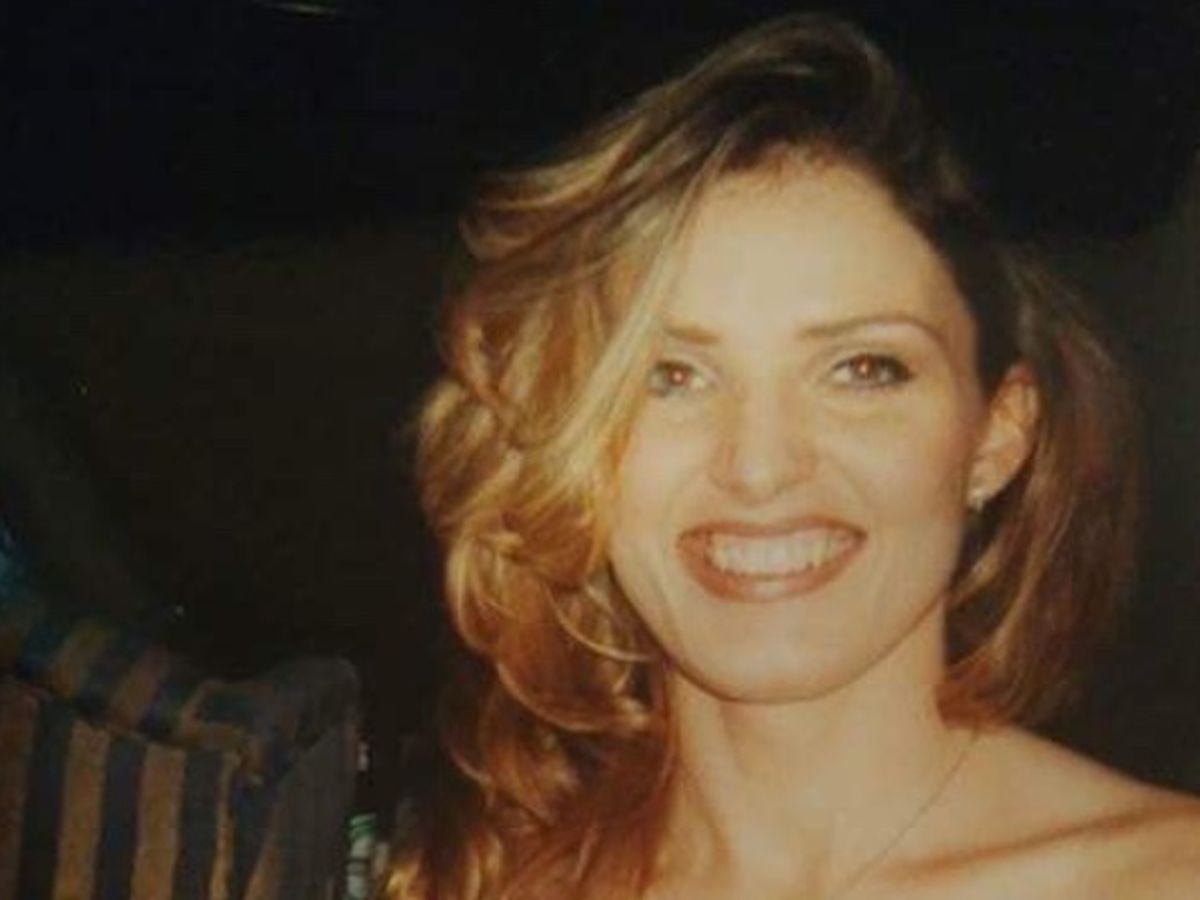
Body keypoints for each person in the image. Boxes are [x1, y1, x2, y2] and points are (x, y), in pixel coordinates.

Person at [389, 13, 1200, 899]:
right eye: (670, 376)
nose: (759, 467)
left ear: (995, 437)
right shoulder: (494, 882)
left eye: (862, 370)